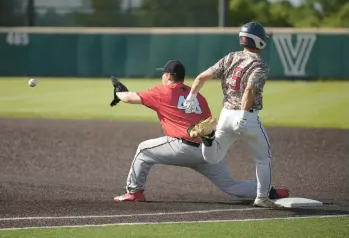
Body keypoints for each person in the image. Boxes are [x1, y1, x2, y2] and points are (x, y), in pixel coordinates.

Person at [110, 59, 288, 204]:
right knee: (231, 186)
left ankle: (134, 192)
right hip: (207, 150)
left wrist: (118, 91)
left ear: (169, 76)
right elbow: (208, 125)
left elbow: (127, 98)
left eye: (163, 73)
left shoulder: (162, 91)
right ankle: (270, 191)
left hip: (181, 147)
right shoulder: (198, 97)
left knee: (143, 149)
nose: (162, 76)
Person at [183, 22, 289, 208]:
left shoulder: (230, 57)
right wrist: (244, 116)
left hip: (225, 117)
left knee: (213, 157)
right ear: (259, 41)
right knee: (263, 159)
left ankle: (208, 139)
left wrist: (191, 96)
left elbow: (201, 77)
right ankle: (262, 197)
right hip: (246, 117)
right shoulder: (260, 64)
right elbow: (249, 90)